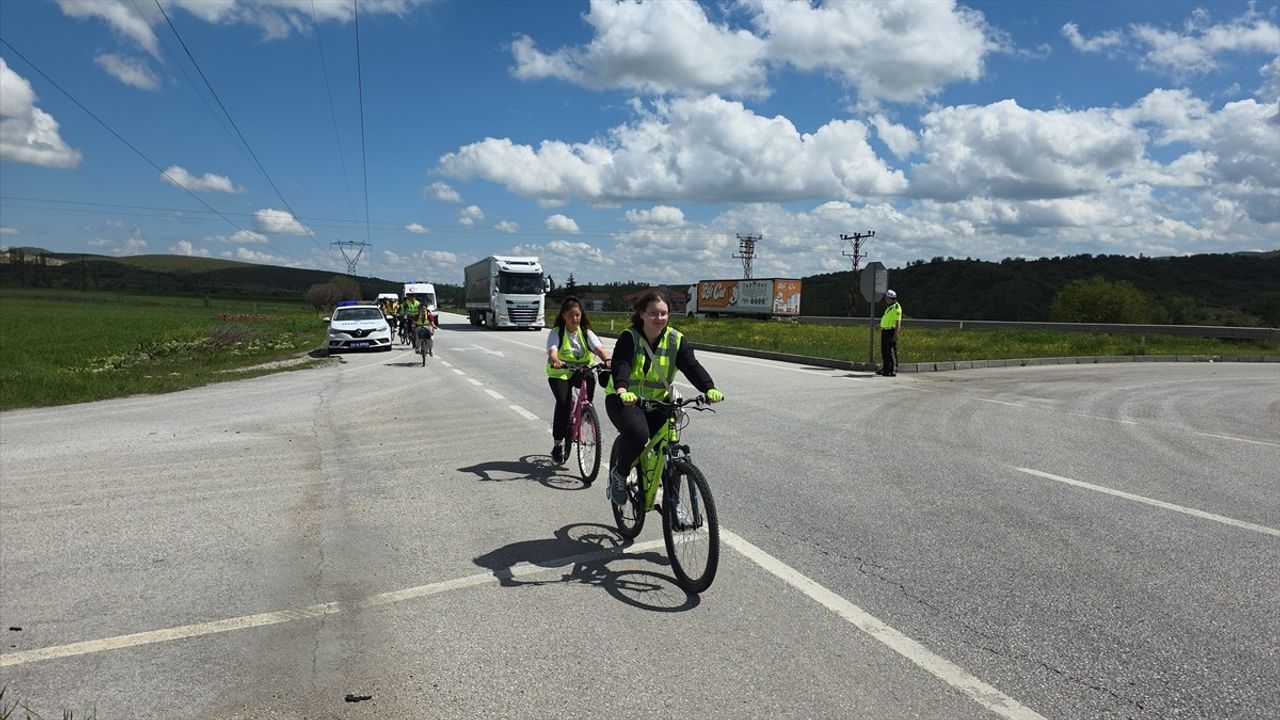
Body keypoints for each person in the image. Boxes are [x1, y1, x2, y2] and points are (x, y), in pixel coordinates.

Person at [605, 291, 723, 506]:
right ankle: (620, 475)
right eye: (653, 313)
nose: (659, 318)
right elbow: (621, 364)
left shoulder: (676, 340)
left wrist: (709, 388)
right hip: (624, 400)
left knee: (673, 449)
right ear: (642, 314)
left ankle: (673, 506)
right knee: (638, 435)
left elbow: (691, 366)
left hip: (660, 402)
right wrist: (622, 390)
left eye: (664, 313)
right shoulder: (629, 337)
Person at [546, 297, 610, 465]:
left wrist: (608, 360)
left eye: (578, 315)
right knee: (563, 403)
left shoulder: (586, 332)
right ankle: (558, 444)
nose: (575, 319)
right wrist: (555, 360)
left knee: (590, 377)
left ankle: (585, 409)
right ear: (563, 316)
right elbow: (552, 351)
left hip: (580, 370)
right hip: (560, 373)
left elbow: (598, 348)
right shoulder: (557, 332)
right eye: (571, 315)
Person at [877, 289, 903, 376]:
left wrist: (896, 335)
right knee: (884, 351)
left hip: (891, 331)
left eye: (887, 298)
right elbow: (887, 319)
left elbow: (897, 322)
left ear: (891, 298)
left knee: (891, 351)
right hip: (884, 330)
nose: (885, 299)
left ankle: (893, 369)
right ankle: (885, 369)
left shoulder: (896, 308)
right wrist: (880, 325)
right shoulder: (889, 307)